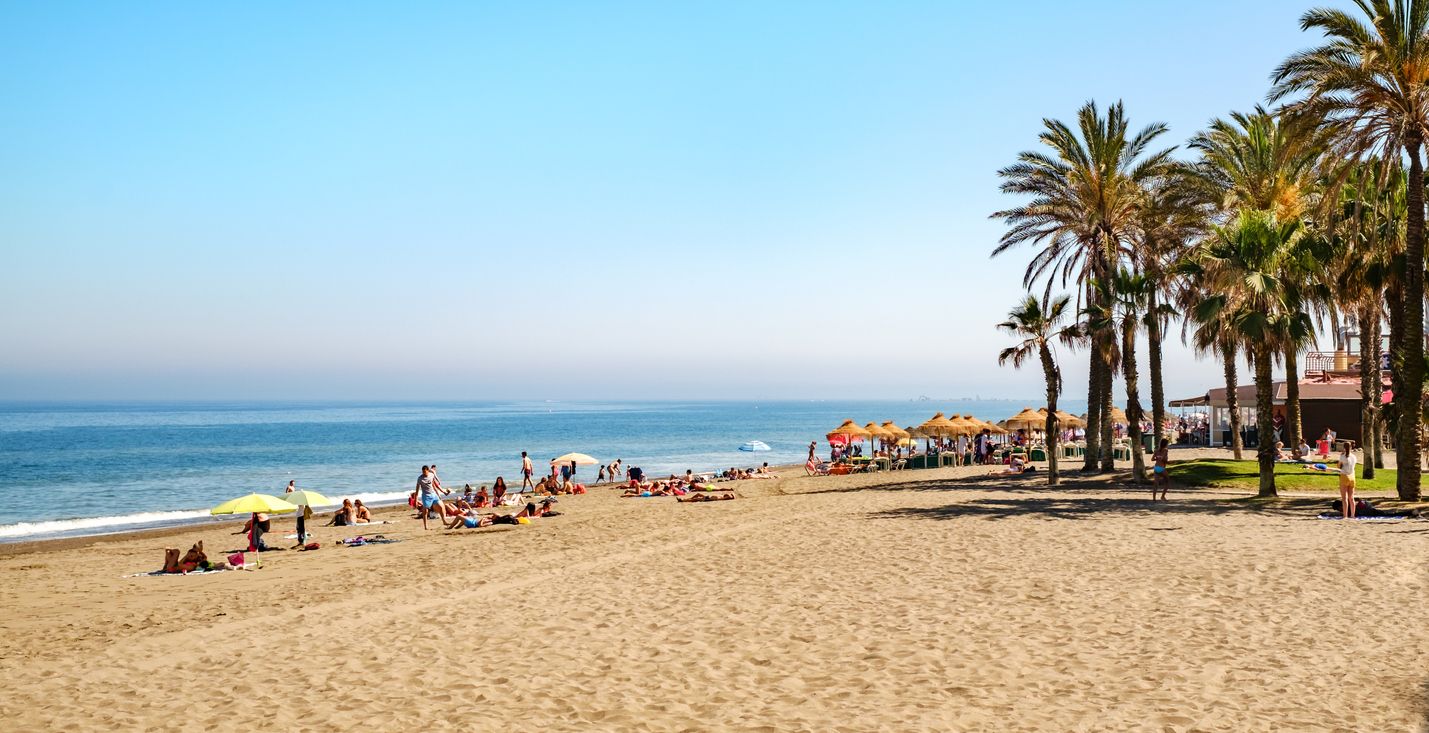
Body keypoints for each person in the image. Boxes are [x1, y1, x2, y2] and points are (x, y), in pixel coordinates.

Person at [416, 465, 447, 530]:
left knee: (441, 506)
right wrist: (416, 500)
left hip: (433, 494)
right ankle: (425, 526)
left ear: (428, 470)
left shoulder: (431, 475)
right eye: (423, 472)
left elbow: (434, 485)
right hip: (426, 496)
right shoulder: (420, 478)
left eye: (425, 472)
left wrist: (442, 491)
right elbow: (417, 490)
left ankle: (444, 521)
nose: (424, 473)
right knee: (425, 511)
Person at [1339, 442, 1359, 518]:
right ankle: (1353, 515)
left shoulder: (1342, 456)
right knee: (1351, 498)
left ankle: (1345, 515)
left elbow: (1339, 466)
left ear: (1344, 448)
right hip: (1352, 477)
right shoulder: (1354, 457)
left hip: (1344, 476)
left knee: (1344, 498)